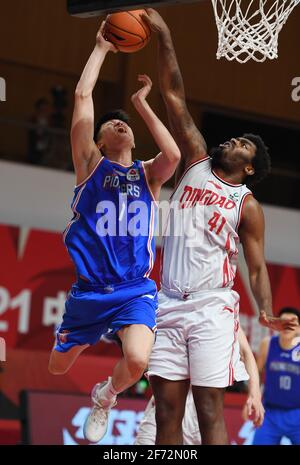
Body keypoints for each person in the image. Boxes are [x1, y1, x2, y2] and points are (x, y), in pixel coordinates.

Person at [141, 9, 297, 445]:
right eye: (234, 138)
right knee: (167, 410)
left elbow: (257, 266)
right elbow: (173, 96)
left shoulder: (246, 205)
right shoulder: (194, 158)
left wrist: (264, 308)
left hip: (212, 307)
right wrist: (165, 34)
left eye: (241, 144)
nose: (230, 140)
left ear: (248, 167)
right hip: (169, 301)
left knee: (209, 410)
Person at [48, 22, 180, 444]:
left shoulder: (148, 175)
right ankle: (89, 336)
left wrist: (141, 104)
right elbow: (83, 97)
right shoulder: (90, 166)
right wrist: (101, 48)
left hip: (134, 288)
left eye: (125, 124)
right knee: (56, 367)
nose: (119, 125)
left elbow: (174, 154)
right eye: (112, 124)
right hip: (90, 290)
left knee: (139, 359)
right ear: (100, 142)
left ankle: (105, 396)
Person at [135, 326, 264, 445]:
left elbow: (247, 353)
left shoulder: (222, 309)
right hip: (165, 403)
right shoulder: (166, 305)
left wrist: (255, 394)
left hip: (200, 409)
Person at [251, 307, 300, 445]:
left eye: (293, 323)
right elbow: (257, 372)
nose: (288, 326)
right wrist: (253, 397)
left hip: (297, 413)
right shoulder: (268, 343)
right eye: (284, 322)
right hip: (270, 413)